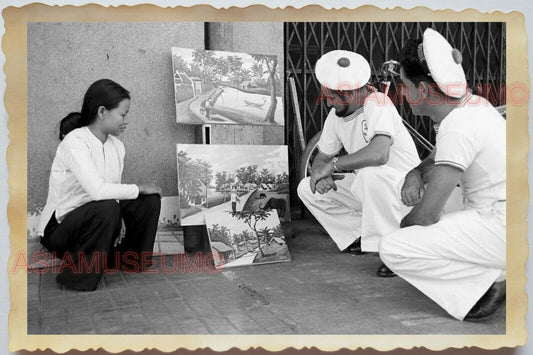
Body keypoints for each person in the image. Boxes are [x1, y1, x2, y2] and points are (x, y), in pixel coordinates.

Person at [379, 28, 506, 321]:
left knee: (394, 248)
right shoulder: (472, 106)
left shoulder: (459, 125)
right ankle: (493, 269)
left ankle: (491, 281)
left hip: (499, 225)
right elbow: (436, 160)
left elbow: (427, 216)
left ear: (422, 91)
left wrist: (405, 228)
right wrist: (415, 172)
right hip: (499, 216)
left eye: (405, 85)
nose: (403, 93)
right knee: (410, 192)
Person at [297, 50, 420, 277]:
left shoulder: (378, 102)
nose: (328, 101)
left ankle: (395, 252)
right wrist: (318, 175)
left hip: (405, 191)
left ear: (347, 93)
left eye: (332, 96)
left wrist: (333, 166)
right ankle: (359, 236)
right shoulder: (336, 115)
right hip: (373, 190)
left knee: (369, 174)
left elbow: (379, 154)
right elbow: (322, 157)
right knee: (307, 188)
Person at [38, 79, 163, 291]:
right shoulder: (75, 141)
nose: (126, 121)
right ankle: (77, 278)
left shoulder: (117, 146)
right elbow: (97, 190)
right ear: (102, 112)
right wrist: (139, 187)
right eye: (122, 114)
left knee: (148, 201)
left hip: (98, 215)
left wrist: (121, 215)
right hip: (61, 227)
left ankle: (127, 260)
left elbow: (113, 189)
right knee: (110, 205)